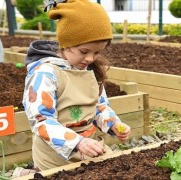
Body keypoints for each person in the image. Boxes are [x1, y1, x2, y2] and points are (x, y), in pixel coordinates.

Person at [22, 0, 131, 171]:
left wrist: (113, 125)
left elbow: (100, 107)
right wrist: (78, 142)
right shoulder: (45, 73)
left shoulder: (91, 70)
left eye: (97, 52)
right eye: (84, 51)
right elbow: (42, 120)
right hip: (54, 156)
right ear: (66, 43)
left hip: (89, 148)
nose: (90, 59)